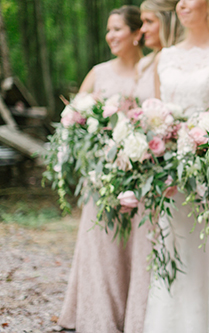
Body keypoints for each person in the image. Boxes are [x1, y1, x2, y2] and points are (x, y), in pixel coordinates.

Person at [57, 6, 150, 333]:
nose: (110, 36)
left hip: (141, 174)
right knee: (104, 247)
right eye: (108, 30)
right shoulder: (99, 73)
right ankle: (101, 318)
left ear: (138, 33)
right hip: (103, 176)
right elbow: (72, 121)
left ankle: (137, 316)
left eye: (117, 30)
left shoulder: (153, 69)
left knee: (138, 248)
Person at [142, 0, 209, 331]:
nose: (181, 5)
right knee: (177, 255)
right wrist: (155, 158)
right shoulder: (165, 57)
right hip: (170, 179)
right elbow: (154, 114)